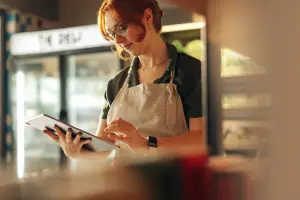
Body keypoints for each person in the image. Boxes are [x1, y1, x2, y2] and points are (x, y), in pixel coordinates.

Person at [43, 0, 204, 162]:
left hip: (172, 183)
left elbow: (202, 139)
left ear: (147, 17)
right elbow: (106, 146)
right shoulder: (116, 84)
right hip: (124, 183)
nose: (118, 41)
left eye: (122, 28)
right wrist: (78, 151)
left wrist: (148, 145)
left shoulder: (191, 72)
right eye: (112, 34)